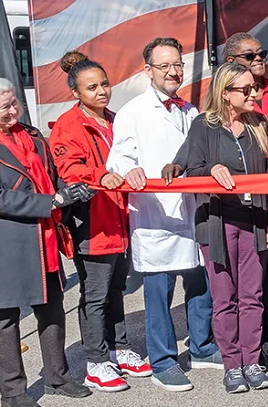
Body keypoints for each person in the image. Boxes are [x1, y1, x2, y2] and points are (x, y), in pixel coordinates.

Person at [0, 74, 95, 407]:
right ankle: (14, 395)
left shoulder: (31, 135)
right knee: (4, 320)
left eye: (14, 102)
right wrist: (53, 202)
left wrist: (74, 189)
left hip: (40, 236)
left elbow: (53, 175)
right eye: (5, 106)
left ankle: (57, 379)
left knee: (52, 310)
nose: (14, 110)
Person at [106, 37, 222, 392]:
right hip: (156, 214)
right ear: (148, 71)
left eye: (178, 65)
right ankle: (163, 360)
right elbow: (119, 157)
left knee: (200, 285)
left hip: (193, 212)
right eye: (165, 66)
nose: (173, 72)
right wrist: (130, 171)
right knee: (159, 291)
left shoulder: (190, 111)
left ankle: (202, 347)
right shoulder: (133, 112)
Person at [171, 62, 268, 393]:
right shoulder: (204, 126)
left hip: (254, 220)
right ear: (225, 93)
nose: (254, 93)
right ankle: (232, 364)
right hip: (217, 222)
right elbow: (190, 168)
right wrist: (212, 168)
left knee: (253, 296)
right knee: (224, 297)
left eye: (254, 87)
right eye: (245, 89)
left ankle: (252, 361)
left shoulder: (260, 124)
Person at [50, 57, 151, 392]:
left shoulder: (115, 120)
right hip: (92, 220)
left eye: (104, 84)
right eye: (92, 87)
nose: (102, 91)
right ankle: (96, 359)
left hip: (121, 218)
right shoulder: (69, 124)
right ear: (76, 91)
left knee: (117, 289)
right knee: (95, 294)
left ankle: (120, 348)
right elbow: (68, 168)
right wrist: (102, 175)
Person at [223, 32, 268, 369]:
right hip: (246, 208)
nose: (258, 58)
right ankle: (253, 346)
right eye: (249, 55)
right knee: (247, 283)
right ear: (230, 62)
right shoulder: (223, 99)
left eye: (261, 53)